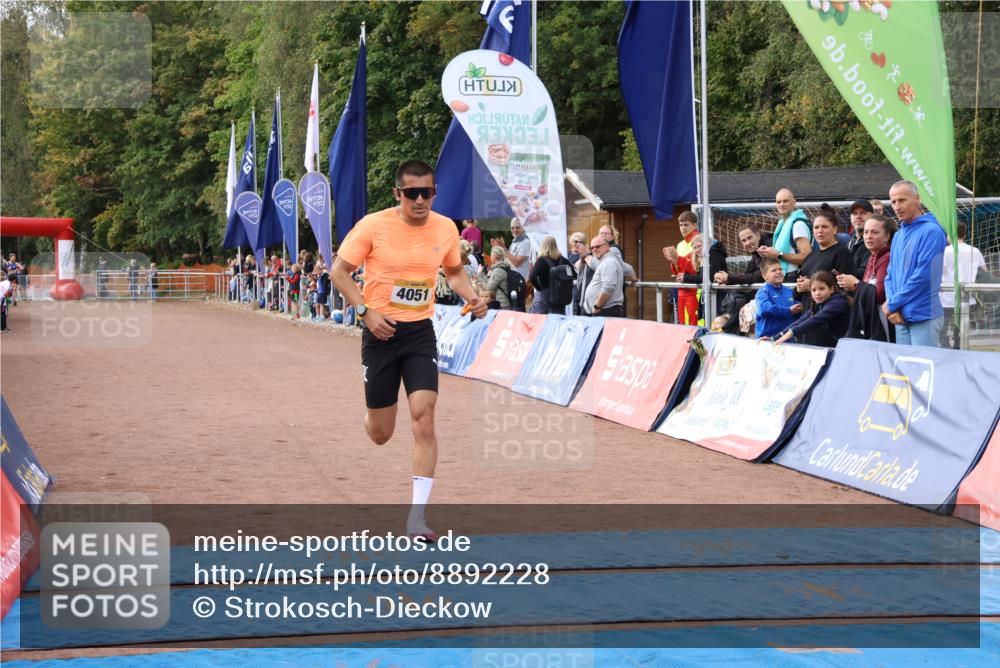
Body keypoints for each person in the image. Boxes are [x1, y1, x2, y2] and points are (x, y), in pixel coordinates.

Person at [330, 159, 485, 541]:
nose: (420, 201)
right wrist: (366, 313)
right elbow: (338, 272)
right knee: (381, 433)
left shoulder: (445, 227)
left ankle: (417, 517)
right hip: (380, 332)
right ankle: (370, 413)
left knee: (424, 414)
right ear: (397, 193)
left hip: (419, 332)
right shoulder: (373, 225)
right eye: (413, 193)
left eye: (427, 193)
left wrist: (473, 297)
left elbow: (453, 272)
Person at [883, 180, 948, 347]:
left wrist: (892, 303)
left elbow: (924, 276)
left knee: (925, 370)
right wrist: (894, 306)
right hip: (900, 316)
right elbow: (890, 275)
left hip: (924, 316)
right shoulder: (898, 235)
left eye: (902, 200)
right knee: (905, 372)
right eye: (893, 201)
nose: (897, 206)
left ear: (917, 199)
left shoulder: (932, 231)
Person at [841, 213, 896, 342]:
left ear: (886, 236)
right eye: (866, 232)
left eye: (874, 232)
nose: (868, 236)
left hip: (884, 321)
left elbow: (881, 294)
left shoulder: (886, 257)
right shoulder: (873, 257)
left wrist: (856, 285)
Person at [713, 223, 772, 334]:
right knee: (735, 294)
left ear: (758, 235)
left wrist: (729, 278)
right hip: (764, 295)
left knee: (738, 300)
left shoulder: (767, 247)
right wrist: (726, 278)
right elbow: (748, 273)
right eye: (744, 241)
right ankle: (726, 323)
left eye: (750, 238)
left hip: (775, 295)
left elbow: (760, 275)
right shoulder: (756, 251)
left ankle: (726, 328)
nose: (747, 243)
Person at [794, 205, 856, 309]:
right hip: (808, 314)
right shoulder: (811, 256)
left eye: (824, 227)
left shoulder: (841, 253)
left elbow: (845, 290)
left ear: (835, 229)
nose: (820, 231)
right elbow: (799, 293)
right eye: (816, 227)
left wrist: (811, 286)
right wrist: (798, 288)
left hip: (829, 315)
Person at [940, 221, 988, 348]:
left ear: (950, 234)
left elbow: (939, 272)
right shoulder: (975, 250)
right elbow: (985, 271)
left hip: (946, 299)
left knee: (941, 325)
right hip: (967, 299)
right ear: (965, 235)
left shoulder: (945, 251)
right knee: (959, 330)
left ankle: (946, 347)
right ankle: (957, 348)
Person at [773, 271, 850, 347]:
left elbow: (816, 319)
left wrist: (791, 333)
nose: (817, 293)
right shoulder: (818, 304)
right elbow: (801, 321)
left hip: (851, 344)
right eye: (814, 290)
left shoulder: (837, 302)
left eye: (822, 289)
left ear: (831, 289)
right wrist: (775, 337)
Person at [758, 188, 813, 279]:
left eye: (785, 201)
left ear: (794, 202)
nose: (781, 204)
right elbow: (782, 251)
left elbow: (806, 257)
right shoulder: (783, 224)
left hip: (794, 276)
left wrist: (778, 254)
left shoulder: (798, 225)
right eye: (778, 202)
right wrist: (769, 251)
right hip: (784, 275)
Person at [755, 257, 802, 339]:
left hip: (787, 339)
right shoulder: (762, 292)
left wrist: (799, 307)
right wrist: (788, 311)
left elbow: (796, 309)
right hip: (767, 340)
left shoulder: (789, 291)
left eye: (780, 269)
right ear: (764, 276)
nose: (779, 272)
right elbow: (765, 309)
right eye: (774, 270)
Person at [527, 235, 575, 314]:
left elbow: (532, 277)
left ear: (543, 246)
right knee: (558, 322)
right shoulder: (563, 260)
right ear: (555, 245)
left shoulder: (541, 261)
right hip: (559, 297)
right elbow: (574, 274)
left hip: (544, 297)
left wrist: (539, 288)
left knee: (541, 322)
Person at [583, 236, 624, 317]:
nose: (594, 249)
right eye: (592, 247)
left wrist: (597, 305)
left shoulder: (609, 262)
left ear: (607, 247)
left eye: (597, 246)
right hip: (604, 310)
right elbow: (627, 268)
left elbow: (608, 287)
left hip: (606, 310)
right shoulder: (607, 261)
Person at [847, 199, 873, 279]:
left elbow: (865, 272)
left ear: (872, 216)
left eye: (863, 213)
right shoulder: (850, 242)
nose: (858, 216)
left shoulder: (873, 242)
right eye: (855, 213)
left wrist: (842, 271)